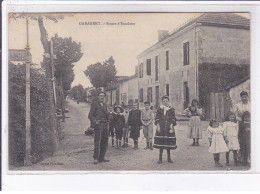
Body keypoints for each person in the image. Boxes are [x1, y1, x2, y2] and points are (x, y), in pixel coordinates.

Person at [154, 95, 177, 164]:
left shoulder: (171, 109)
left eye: (166, 101)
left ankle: (169, 158)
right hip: (161, 127)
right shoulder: (159, 109)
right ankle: (160, 158)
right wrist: (158, 125)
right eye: (164, 101)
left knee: (168, 143)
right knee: (161, 142)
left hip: (168, 127)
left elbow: (173, 118)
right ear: (162, 101)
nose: (165, 102)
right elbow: (157, 118)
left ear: (168, 101)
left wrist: (172, 125)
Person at [88, 91, 110, 165]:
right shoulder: (94, 104)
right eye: (100, 95)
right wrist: (95, 122)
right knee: (97, 141)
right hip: (98, 124)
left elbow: (107, 114)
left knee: (105, 141)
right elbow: (90, 115)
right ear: (98, 96)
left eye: (103, 96)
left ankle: (102, 157)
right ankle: (96, 158)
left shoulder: (105, 105)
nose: (102, 97)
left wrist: (109, 116)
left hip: (105, 124)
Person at [232, 91, 250, 163]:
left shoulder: (251, 104)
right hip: (240, 124)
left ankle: (248, 157)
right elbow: (234, 114)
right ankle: (241, 157)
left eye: (245, 96)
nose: (244, 98)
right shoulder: (237, 105)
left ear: (248, 97)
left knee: (249, 141)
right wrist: (240, 120)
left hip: (249, 123)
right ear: (241, 97)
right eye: (243, 97)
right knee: (241, 140)